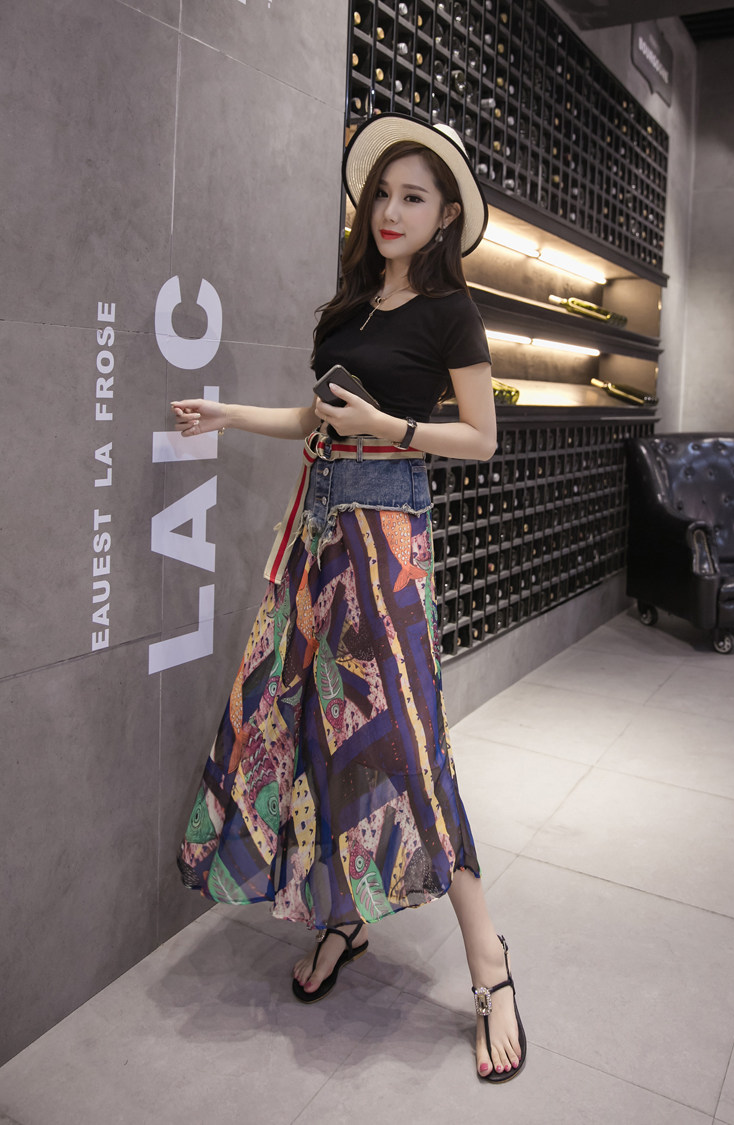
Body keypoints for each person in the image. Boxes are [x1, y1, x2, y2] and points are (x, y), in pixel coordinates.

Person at [171, 112, 526, 1083]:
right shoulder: (348, 309)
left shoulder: (451, 313)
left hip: (389, 537)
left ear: (445, 216)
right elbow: (316, 419)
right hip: (317, 534)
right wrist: (229, 414)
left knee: (407, 741)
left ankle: (489, 962)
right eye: (383, 194)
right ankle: (342, 919)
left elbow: (481, 437)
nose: (391, 211)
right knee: (308, 735)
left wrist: (389, 424)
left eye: (414, 197)